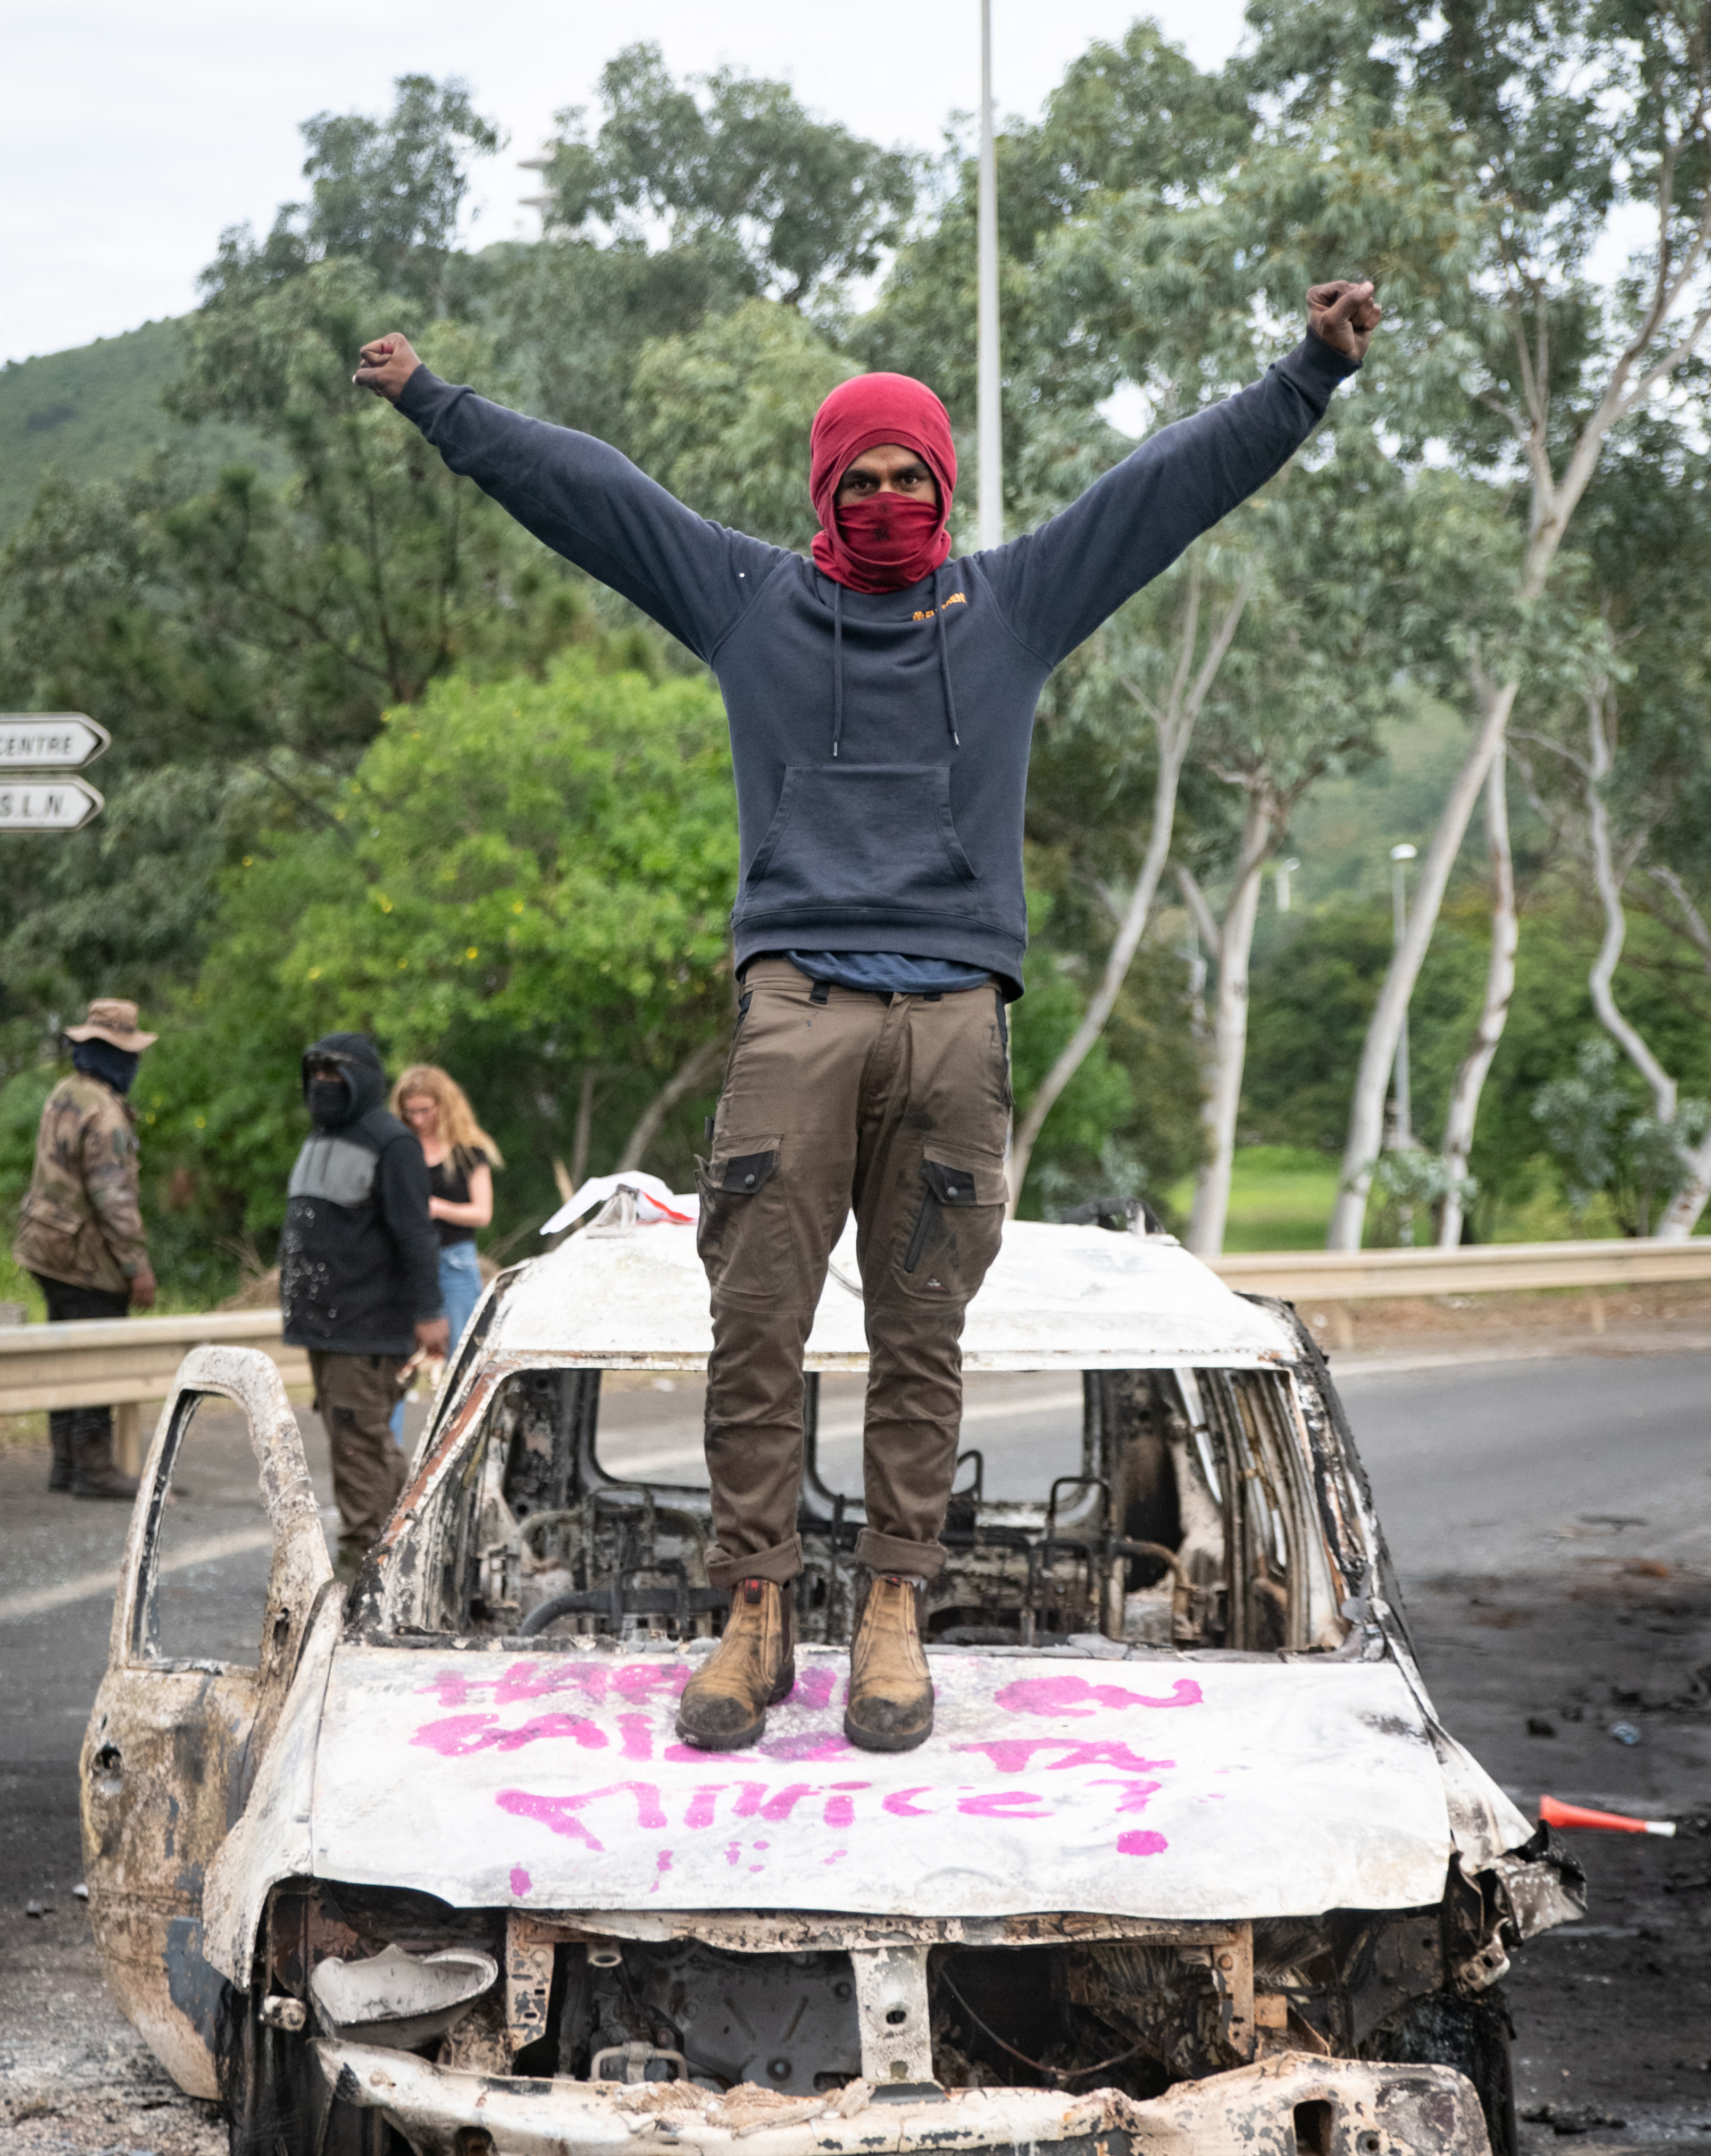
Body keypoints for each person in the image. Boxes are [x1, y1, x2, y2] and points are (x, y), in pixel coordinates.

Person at [354, 278, 1381, 1754]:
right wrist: (437, 402)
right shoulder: (751, 601)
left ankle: (891, 1617)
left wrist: (1306, 375)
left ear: (943, 485)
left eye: (911, 475)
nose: (888, 496)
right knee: (754, 1322)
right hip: (799, 1005)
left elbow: (1166, 488)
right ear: (825, 488)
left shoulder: (1012, 605)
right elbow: (592, 495)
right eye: (862, 477)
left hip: (958, 1016)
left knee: (922, 1336)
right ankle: (754, 1615)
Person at [279, 1032, 448, 1580]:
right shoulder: (320, 1137)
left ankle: (365, 1571)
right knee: (359, 1441)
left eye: (338, 1074)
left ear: (365, 1080)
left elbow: (416, 1233)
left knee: (360, 1447)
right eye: (318, 1073)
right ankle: (401, 1552)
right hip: (325, 1328)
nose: (325, 1084)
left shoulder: (390, 1142)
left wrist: (430, 1312)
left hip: (367, 1324)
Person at [15, 997, 159, 1500]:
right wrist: (137, 1268)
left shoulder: (65, 1092)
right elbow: (114, 1200)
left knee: (63, 1351)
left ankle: (65, 1462)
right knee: (97, 1354)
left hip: (42, 1245)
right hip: (84, 1258)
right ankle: (95, 1467)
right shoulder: (107, 1115)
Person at [387, 1064, 502, 1440]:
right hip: (403, 1264)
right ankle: (388, 1458)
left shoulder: (468, 1151)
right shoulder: (398, 1149)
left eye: (426, 1110)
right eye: (411, 1111)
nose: (418, 1119)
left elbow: (482, 1212)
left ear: (444, 1105)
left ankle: (462, 1450)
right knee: (396, 1365)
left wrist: (434, 1207)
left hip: (454, 1261)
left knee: (465, 1366)